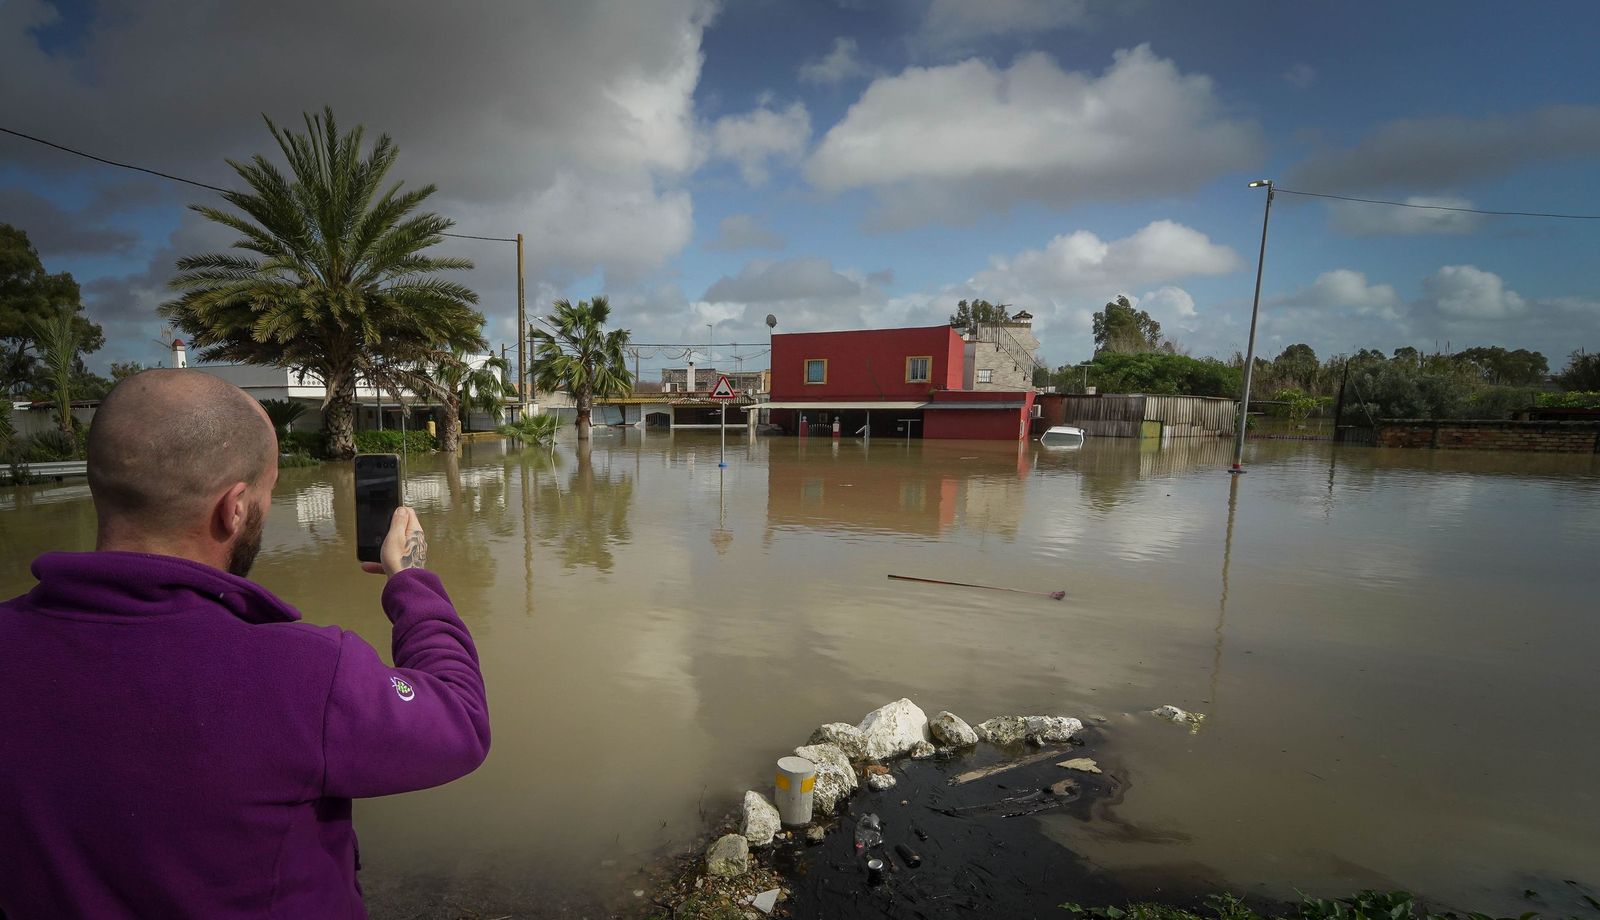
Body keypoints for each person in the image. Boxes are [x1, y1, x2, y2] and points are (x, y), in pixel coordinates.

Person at [0, 369, 490, 919]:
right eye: (267, 492)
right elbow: (459, 720)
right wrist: (411, 581)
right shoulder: (300, 674)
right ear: (233, 508)